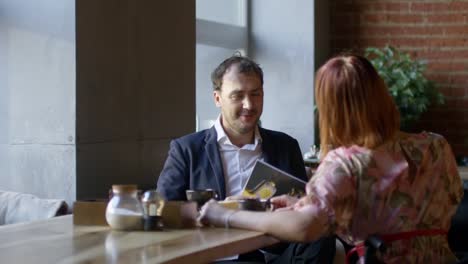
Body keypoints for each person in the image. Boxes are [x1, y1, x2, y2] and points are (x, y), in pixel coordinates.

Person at [199, 54, 464, 263]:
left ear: (333, 109)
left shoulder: (344, 164)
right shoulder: (436, 145)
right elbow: (444, 202)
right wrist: (305, 203)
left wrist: (225, 215)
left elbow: (305, 228)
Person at [157, 54, 335, 262]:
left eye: (255, 94)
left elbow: (304, 211)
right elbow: (164, 210)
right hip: (214, 257)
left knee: (322, 236)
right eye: (237, 96)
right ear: (217, 98)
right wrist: (221, 210)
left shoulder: (286, 146)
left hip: (271, 253)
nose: (249, 105)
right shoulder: (187, 149)